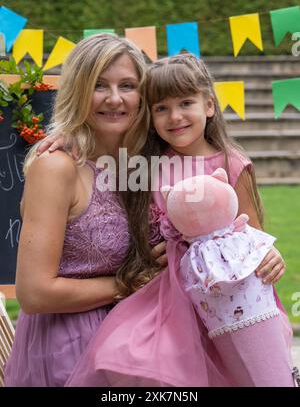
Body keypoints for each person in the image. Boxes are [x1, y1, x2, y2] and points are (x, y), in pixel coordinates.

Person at [63, 53, 292, 387]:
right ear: (150, 116)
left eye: (186, 103)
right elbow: (96, 147)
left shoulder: (232, 163)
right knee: (136, 361)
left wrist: (269, 254)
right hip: (170, 297)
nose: (175, 117)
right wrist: (65, 138)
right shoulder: (147, 164)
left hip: (228, 299)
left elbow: (252, 235)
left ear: (210, 105)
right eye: (162, 108)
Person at [4, 33, 166, 387]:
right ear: (78, 90)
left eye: (127, 85)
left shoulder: (144, 162)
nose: (114, 98)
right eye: (99, 85)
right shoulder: (57, 167)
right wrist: (129, 284)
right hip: (70, 349)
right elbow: (33, 294)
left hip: (137, 343)